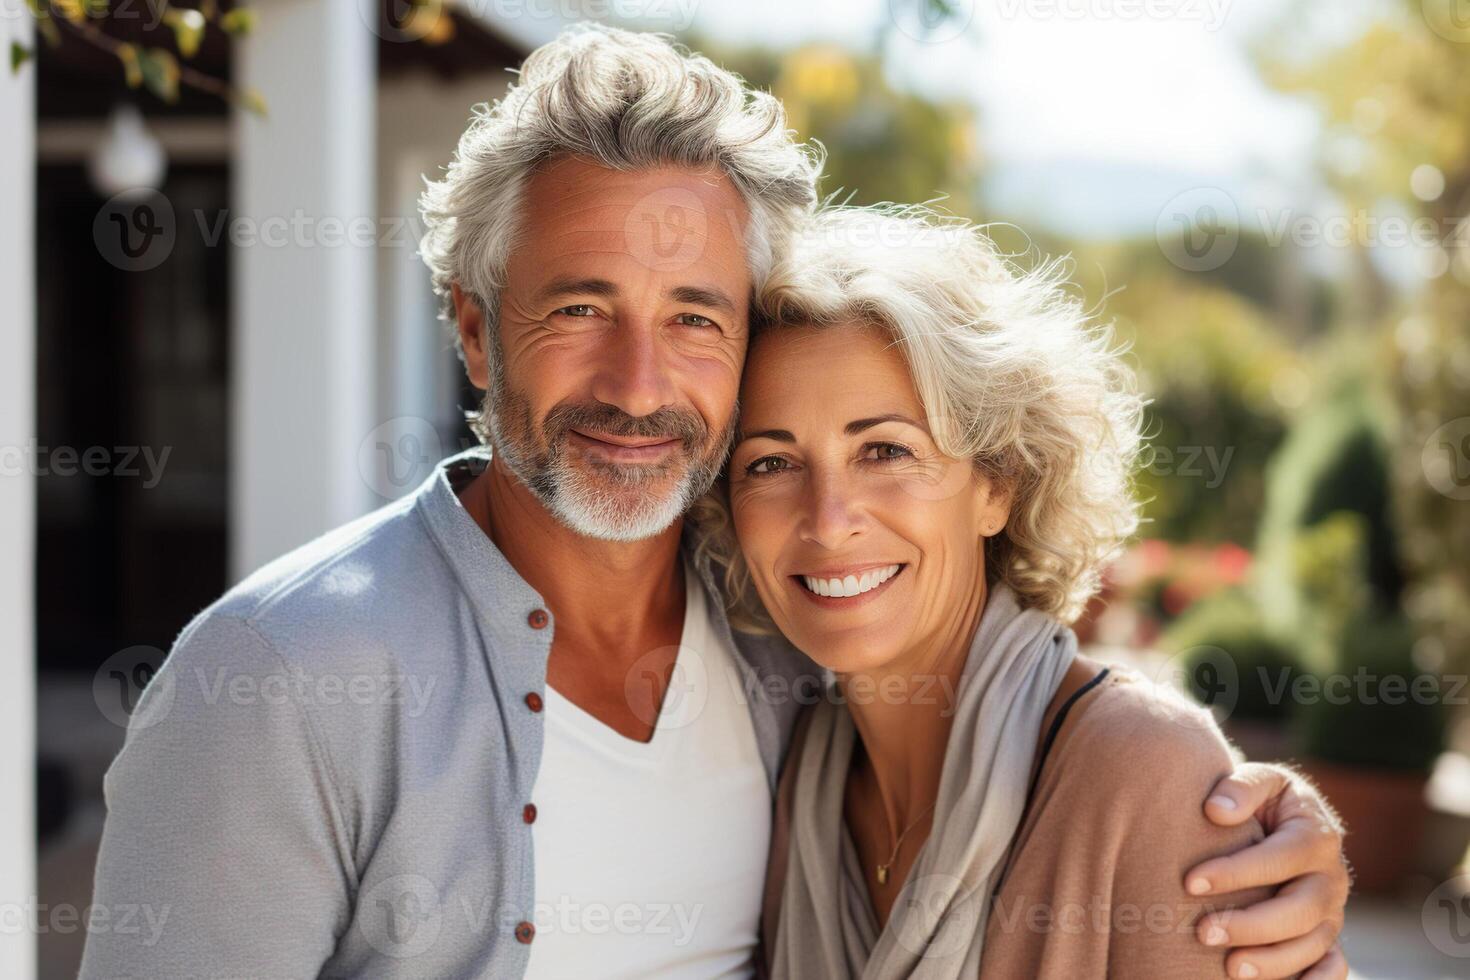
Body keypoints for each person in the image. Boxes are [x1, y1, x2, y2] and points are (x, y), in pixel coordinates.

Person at [80, 25, 1349, 980]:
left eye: (694, 319)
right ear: (474, 330)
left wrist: (1237, 815)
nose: (638, 385)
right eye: (579, 310)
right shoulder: (282, 679)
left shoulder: (779, 660)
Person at [699, 205, 1349, 979]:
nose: (828, 520)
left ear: (997, 485)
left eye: (884, 450)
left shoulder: (1146, 775)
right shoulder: (798, 769)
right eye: (771, 463)